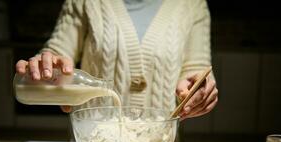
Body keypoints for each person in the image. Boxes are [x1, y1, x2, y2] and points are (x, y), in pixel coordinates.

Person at [15, 0, 218, 120]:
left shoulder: (193, 5)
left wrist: (197, 89)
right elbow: (58, 51)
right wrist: (45, 66)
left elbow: (196, 68)